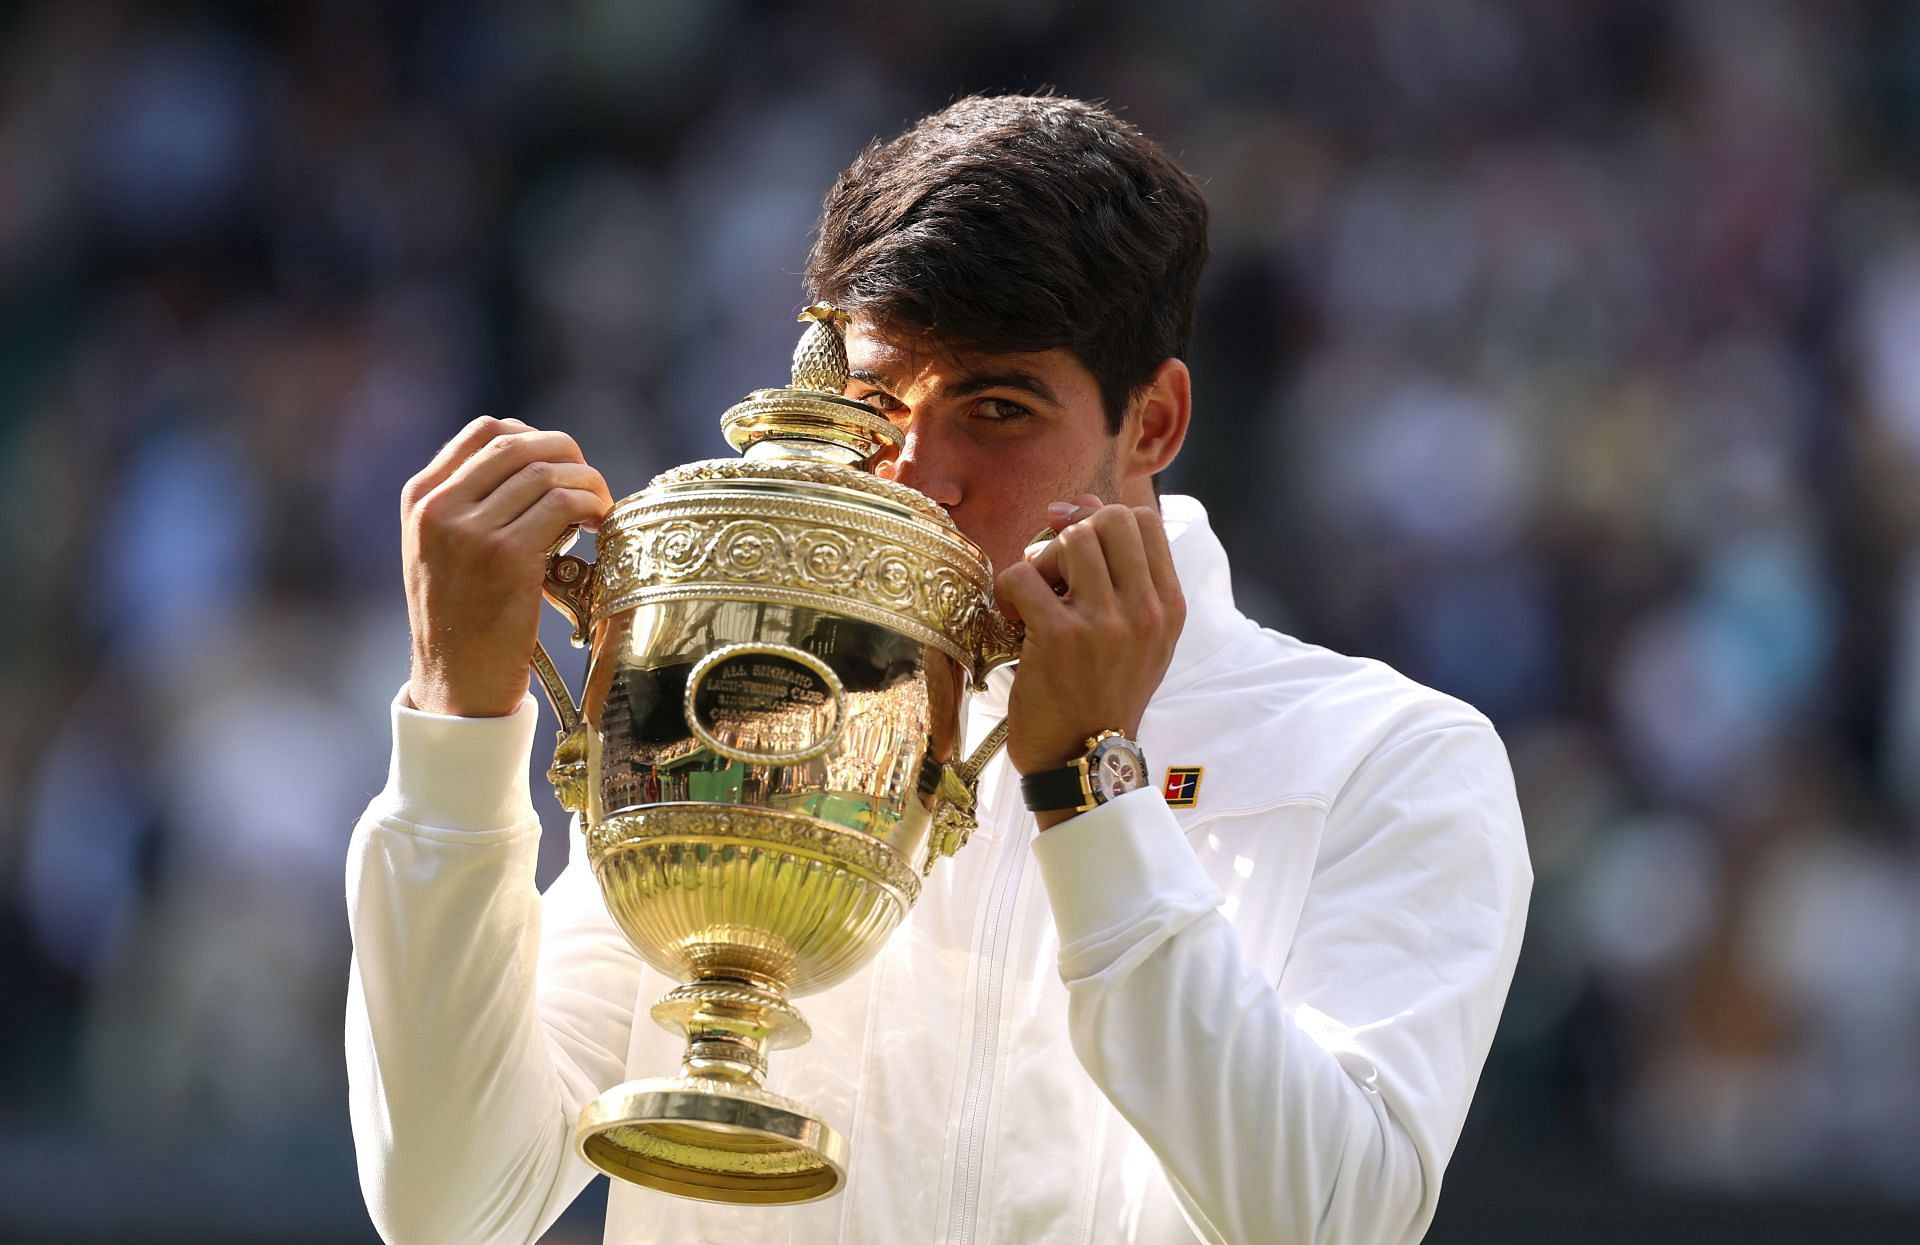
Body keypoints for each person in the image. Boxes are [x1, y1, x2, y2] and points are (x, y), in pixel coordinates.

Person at [346, 94, 1531, 1245]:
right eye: (876, 404)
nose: (921, 474)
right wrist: (459, 722)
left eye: (999, 408)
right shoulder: (744, 698)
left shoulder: (1389, 755)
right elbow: (453, 1207)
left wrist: (1089, 791)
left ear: (1154, 423)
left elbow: (1329, 1219)